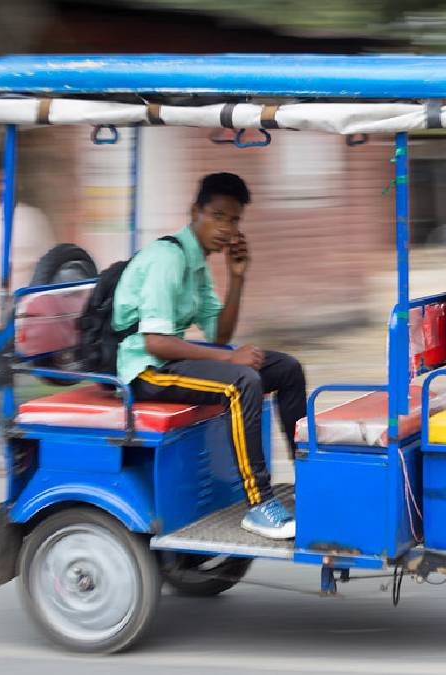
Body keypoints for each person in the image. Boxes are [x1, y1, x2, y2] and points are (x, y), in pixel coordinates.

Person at [112, 172, 305, 540]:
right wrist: (228, 360)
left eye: (233, 220)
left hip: (171, 363)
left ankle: (308, 477)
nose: (225, 228)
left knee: (287, 369)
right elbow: (155, 342)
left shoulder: (197, 264)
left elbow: (219, 334)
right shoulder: (168, 258)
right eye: (217, 215)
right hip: (146, 371)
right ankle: (260, 503)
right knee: (242, 381)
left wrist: (237, 278)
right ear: (195, 211)